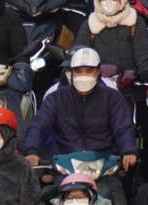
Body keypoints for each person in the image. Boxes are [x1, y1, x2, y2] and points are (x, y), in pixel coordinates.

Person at [21, 48, 137, 189]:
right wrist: (32, 151)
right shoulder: (55, 98)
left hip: (104, 166)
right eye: (78, 71)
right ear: (70, 73)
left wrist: (128, 151)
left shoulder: (113, 97)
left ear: (98, 72)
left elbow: (123, 127)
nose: (83, 75)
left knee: (118, 197)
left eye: (89, 71)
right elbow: (38, 125)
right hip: (66, 167)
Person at [74, 0, 148, 78]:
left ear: (122, 0)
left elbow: (143, 52)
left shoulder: (135, 22)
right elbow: (79, 53)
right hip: (99, 83)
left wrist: (147, 73)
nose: (108, 2)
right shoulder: (89, 24)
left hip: (129, 81)